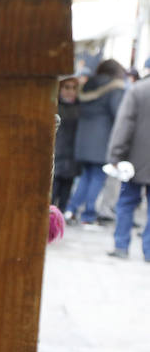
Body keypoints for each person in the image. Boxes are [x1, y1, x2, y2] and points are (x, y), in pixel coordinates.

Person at [64, 59, 126, 226]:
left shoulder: (88, 84)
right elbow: (119, 116)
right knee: (98, 177)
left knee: (86, 176)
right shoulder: (115, 88)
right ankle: (89, 214)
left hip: (83, 139)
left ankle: (72, 209)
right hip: (102, 140)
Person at [106, 76, 150, 261]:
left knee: (126, 202)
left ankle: (121, 246)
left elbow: (125, 124)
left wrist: (116, 154)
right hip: (136, 160)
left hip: (134, 161)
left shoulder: (138, 90)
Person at [52, 75, 80, 212]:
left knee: (65, 196)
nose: (70, 91)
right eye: (67, 87)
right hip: (56, 155)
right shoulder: (54, 107)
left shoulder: (81, 108)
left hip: (72, 156)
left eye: (74, 88)